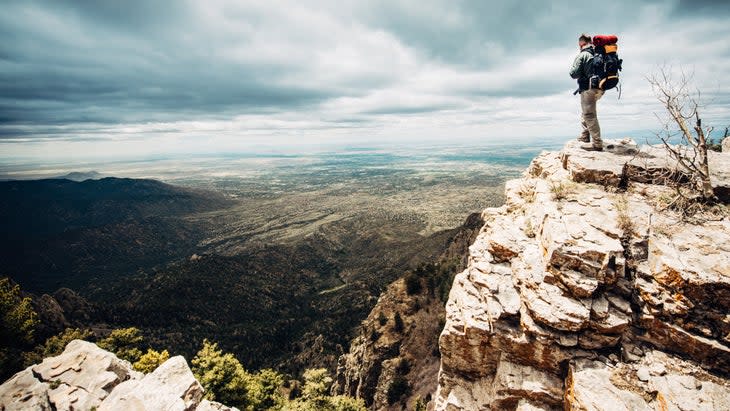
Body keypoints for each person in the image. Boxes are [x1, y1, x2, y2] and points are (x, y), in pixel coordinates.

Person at [570, 33, 604, 151]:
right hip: (601, 87)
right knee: (586, 110)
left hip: (589, 88)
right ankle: (585, 136)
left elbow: (573, 73)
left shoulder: (583, 54)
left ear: (582, 43)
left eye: (579, 45)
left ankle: (597, 143)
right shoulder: (598, 52)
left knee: (589, 114)